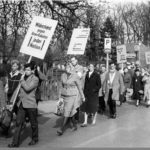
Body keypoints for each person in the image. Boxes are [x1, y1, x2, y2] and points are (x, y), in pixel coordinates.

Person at [8, 63, 39, 147]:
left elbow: (28, 88)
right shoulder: (22, 77)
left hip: (30, 104)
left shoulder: (35, 79)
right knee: (18, 123)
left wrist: (22, 81)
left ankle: (35, 138)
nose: (26, 71)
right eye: (25, 70)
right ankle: (15, 143)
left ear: (32, 71)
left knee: (33, 123)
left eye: (28, 70)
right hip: (21, 104)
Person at [57, 63, 85, 136]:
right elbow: (61, 85)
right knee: (70, 112)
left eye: (70, 67)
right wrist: (59, 95)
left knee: (67, 111)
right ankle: (75, 125)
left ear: (72, 68)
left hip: (72, 96)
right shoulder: (63, 75)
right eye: (67, 67)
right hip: (64, 95)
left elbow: (79, 87)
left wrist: (82, 96)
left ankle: (61, 128)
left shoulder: (75, 76)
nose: (68, 68)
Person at [70, 57, 84, 122]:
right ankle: (70, 117)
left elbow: (78, 76)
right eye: (71, 61)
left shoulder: (80, 67)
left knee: (76, 103)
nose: (72, 62)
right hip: (70, 88)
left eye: (73, 60)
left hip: (77, 88)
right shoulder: (70, 67)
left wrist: (72, 70)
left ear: (76, 61)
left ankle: (76, 118)